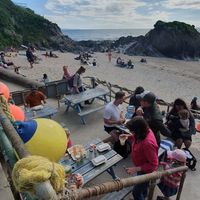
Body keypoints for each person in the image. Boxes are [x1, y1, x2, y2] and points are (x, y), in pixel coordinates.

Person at [119, 117, 158, 200]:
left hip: (146, 171)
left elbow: (154, 164)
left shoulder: (147, 144)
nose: (131, 132)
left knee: (136, 192)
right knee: (143, 186)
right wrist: (128, 136)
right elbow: (135, 136)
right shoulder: (144, 131)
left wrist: (136, 169)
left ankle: (141, 196)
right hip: (141, 167)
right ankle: (144, 195)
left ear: (138, 131)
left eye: (132, 131)